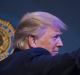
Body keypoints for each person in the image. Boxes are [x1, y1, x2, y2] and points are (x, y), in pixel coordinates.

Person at [0, 11, 80, 75]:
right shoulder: (30, 62)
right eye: (55, 37)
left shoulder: (5, 64)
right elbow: (70, 62)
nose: (61, 43)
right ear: (33, 41)